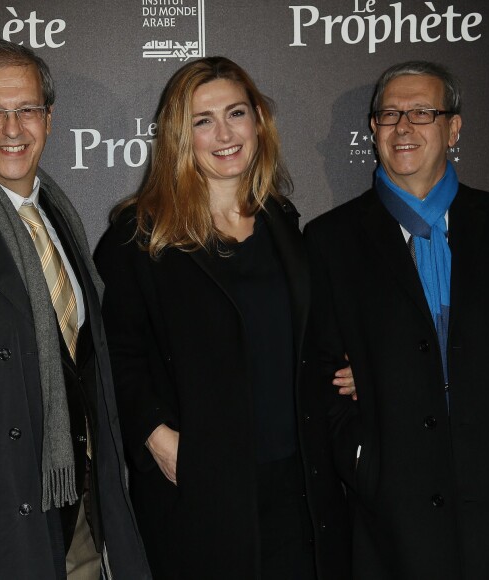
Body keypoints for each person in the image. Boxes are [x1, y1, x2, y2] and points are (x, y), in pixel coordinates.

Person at [95, 56, 353, 579]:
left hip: (298, 483)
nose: (224, 133)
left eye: (236, 113)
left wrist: (349, 369)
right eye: (202, 120)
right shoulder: (139, 236)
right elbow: (114, 354)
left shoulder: (283, 221)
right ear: (178, 136)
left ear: (258, 121)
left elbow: (304, 338)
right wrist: (155, 437)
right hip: (202, 489)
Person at [0, 38, 150, 579]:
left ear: (49, 119)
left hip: (78, 509)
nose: (13, 128)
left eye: (27, 108)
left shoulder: (61, 216)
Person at [304, 60, 489, 579]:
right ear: (373, 129)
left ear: (454, 127)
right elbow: (318, 374)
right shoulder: (329, 241)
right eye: (390, 114)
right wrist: (362, 462)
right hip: (388, 511)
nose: (403, 127)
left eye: (422, 112)